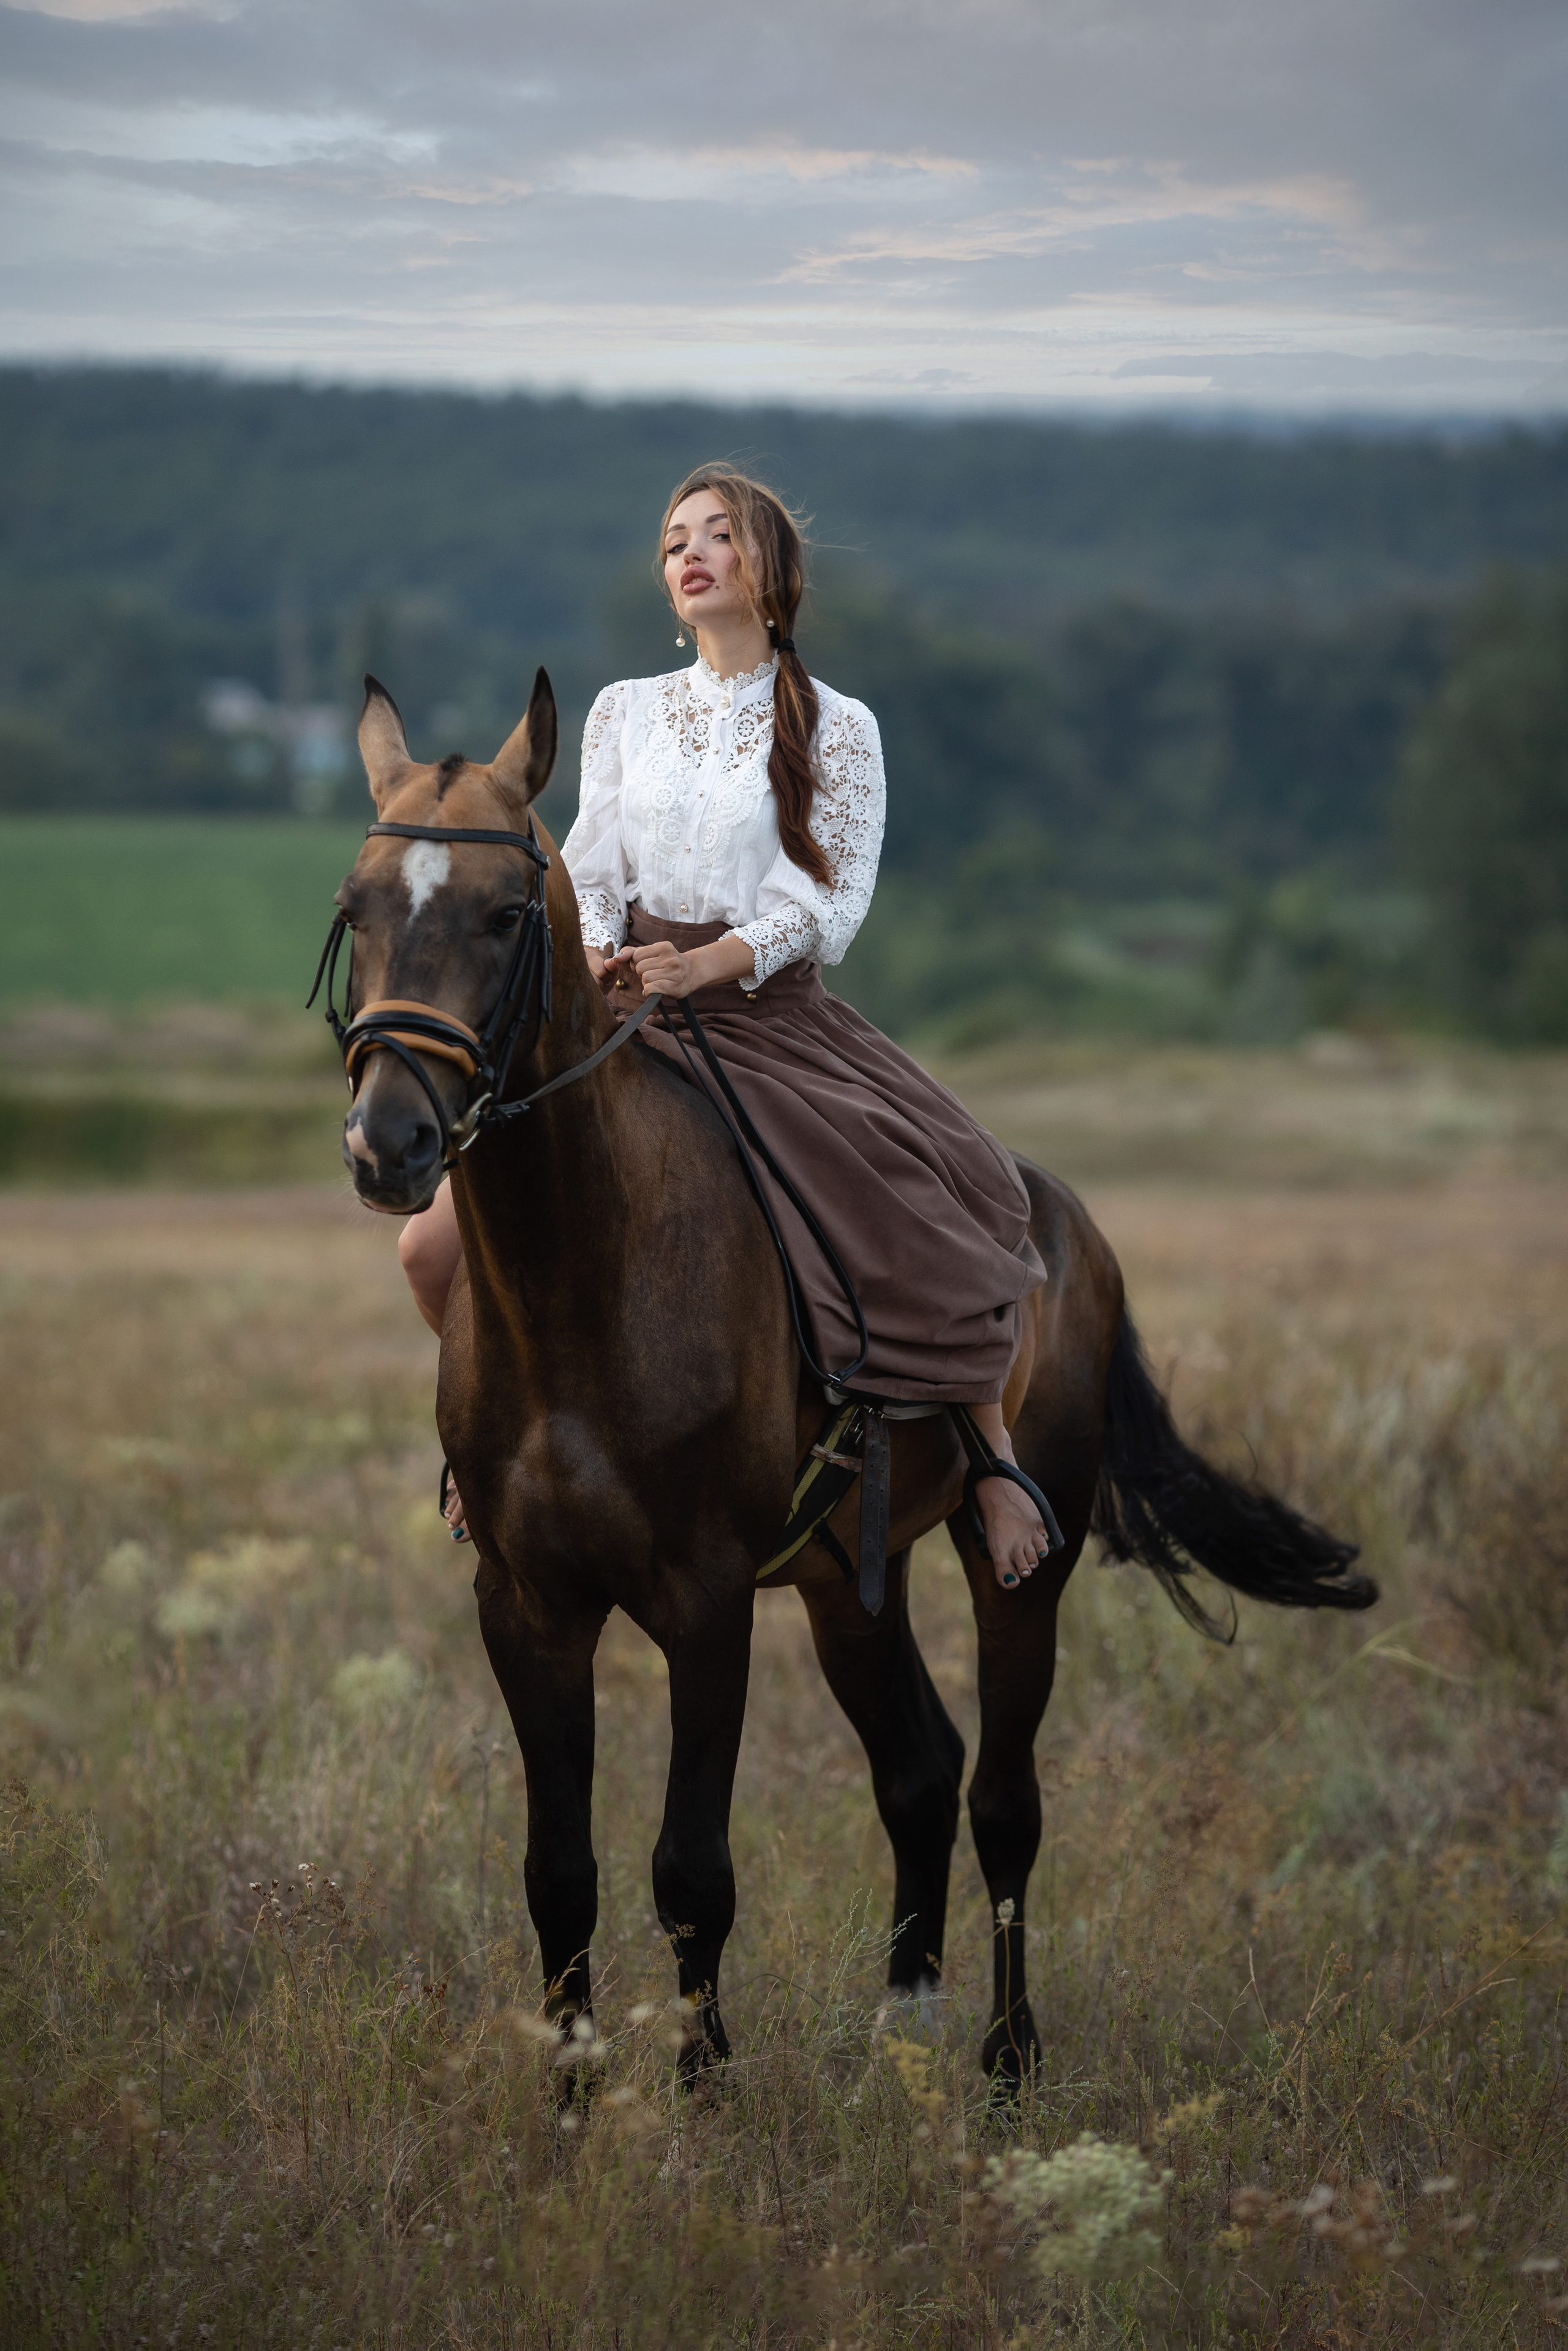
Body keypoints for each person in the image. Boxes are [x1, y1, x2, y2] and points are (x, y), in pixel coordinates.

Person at [399, 465, 1050, 1590]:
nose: (688, 555)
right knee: (427, 1246)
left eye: (716, 535)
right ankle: (495, 1438)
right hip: (619, 1010)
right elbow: (589, 862)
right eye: (671, 543)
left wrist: (703, 962)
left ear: (768, 568)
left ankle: (990, 1454)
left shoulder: (838, 727)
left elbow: (825, 902)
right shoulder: (623, 711)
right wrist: (603, 951)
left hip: (766, 1014)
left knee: (928, 1201)